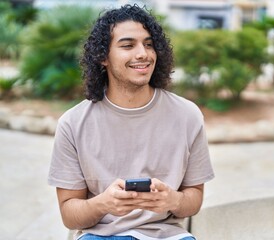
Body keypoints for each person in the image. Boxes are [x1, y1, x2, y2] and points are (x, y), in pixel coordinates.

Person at [48, 4, 214, 240]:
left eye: (148, 44)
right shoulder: (73, 123)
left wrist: (172, 200)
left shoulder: (188, 115)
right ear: (103, 57)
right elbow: (69, 213)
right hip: (100, 236)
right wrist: (103, 204)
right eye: (128, 45)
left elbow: (193, 198)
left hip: (167, 236)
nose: (143, 54)